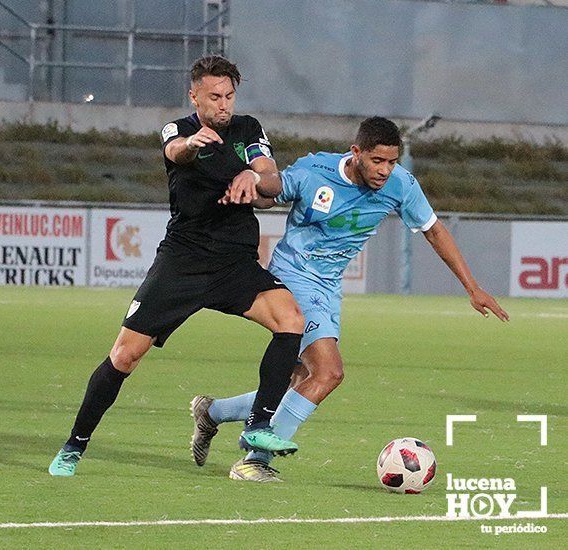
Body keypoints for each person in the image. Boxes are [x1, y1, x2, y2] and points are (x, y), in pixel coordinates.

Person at [189, 116, 509, 482]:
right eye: (377, 161)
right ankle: (255, 460)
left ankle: (211, 412)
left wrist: (472, 287)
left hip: (328, 287)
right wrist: (251, 181)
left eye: (392, 162)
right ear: (356, 153)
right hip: (294, 276)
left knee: (298, 382)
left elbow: (434, 230)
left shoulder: (400, 185)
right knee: (328, 372)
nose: (385, 171)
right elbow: (272, 189)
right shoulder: (316, 171)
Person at [48, 55, 306, 477]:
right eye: (214, 97)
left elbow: (269, 176)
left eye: (229, 96)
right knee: (125, 355)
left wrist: (254, 180)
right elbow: (176, 151)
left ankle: (259, 425)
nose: (223, 105)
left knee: (291, 319)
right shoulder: (180, 130)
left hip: (234, 263)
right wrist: (194, 144)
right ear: (194, 96)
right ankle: (75, 444)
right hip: (182, 263)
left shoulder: (248, 128)